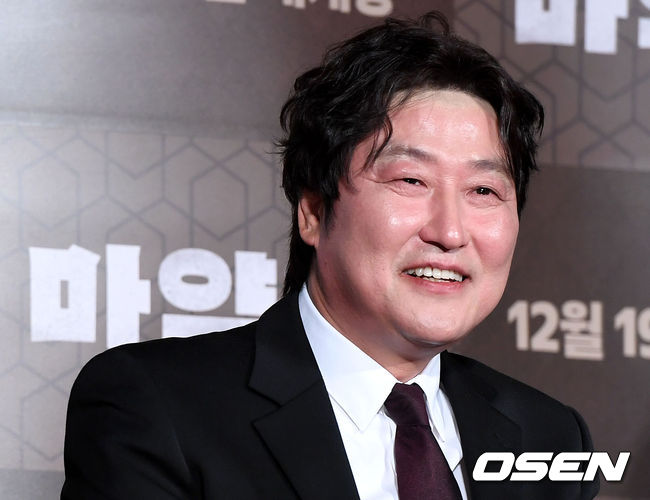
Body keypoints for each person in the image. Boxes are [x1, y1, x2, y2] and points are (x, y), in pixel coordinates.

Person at [61, 12, 599, 500]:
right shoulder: (159, 407)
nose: (451, 231)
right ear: (313, 210)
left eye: (484, 191)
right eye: (411, 180)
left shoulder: (549, 438)